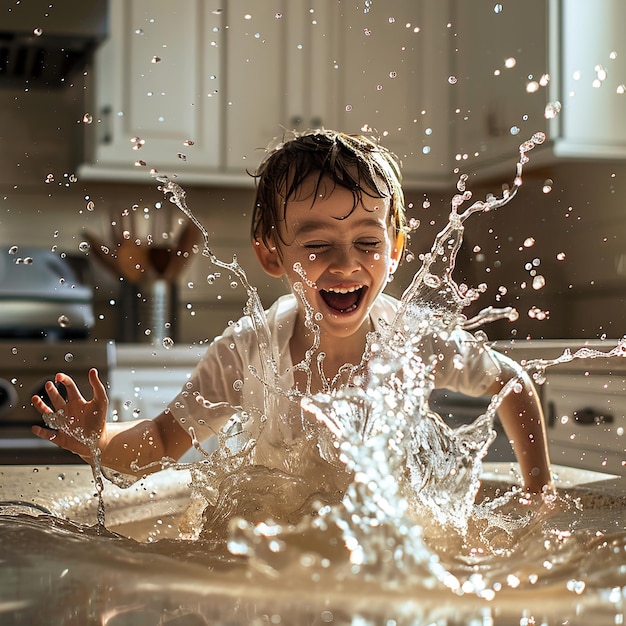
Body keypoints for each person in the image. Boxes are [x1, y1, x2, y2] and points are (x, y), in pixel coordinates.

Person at [32, 129, 553, 495]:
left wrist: (538, 490)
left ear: (395, 249)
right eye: (317, 244)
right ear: (271, 255)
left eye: (367, 243)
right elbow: (167, 440)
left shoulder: (413, 341)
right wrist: (99, 441)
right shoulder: (247, 352)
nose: (346, 265)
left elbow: (511, 382)